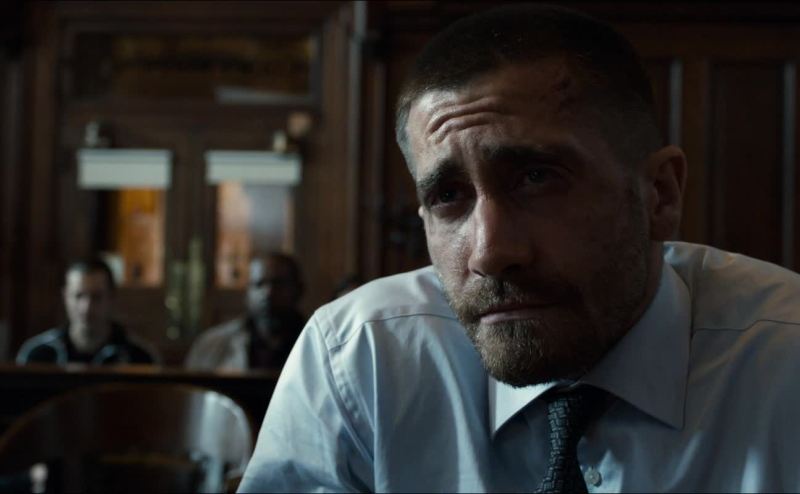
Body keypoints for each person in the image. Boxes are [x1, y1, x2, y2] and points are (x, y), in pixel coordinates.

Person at [239, 5, 800, 493]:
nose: (490, 252)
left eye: (537, 178)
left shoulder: (784, 366)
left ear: (659, 194)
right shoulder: (360, 360)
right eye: (448, 196)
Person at [16, 259, 157, 365]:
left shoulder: (139, 358)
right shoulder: (39, 354)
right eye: (78, 296)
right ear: (65, 297)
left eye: (97, 297)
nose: (86, 307)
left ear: (111, 298)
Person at [185, 253, 305, 372]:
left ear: (298, 289)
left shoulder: (313, 341)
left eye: (279, 284)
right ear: (247, 291)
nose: (268, 293)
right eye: (258, 284)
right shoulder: (211, 345)